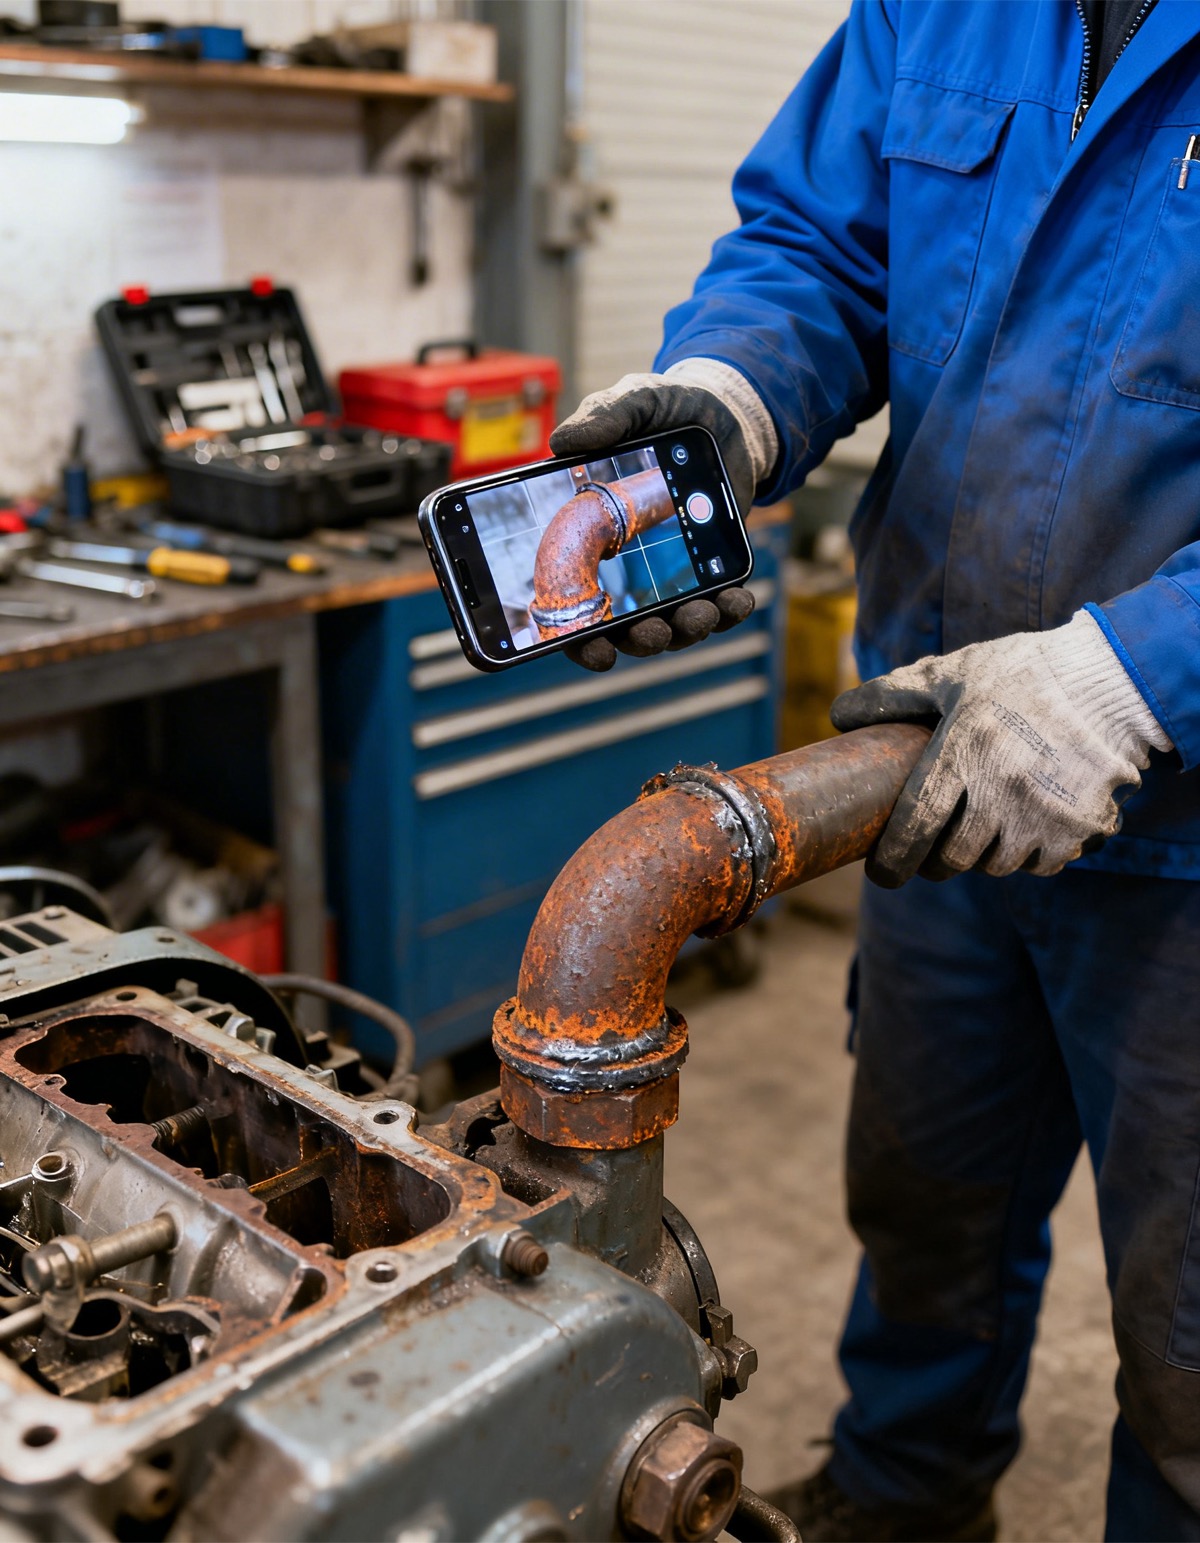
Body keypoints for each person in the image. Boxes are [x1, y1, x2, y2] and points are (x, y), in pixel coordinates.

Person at [550, 2, 1200, 1538]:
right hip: (934, 758)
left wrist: (1139, 675)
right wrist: (717, 409)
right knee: (927, 1198)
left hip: (1185, 824)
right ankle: (911, 1493)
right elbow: (821, 253)